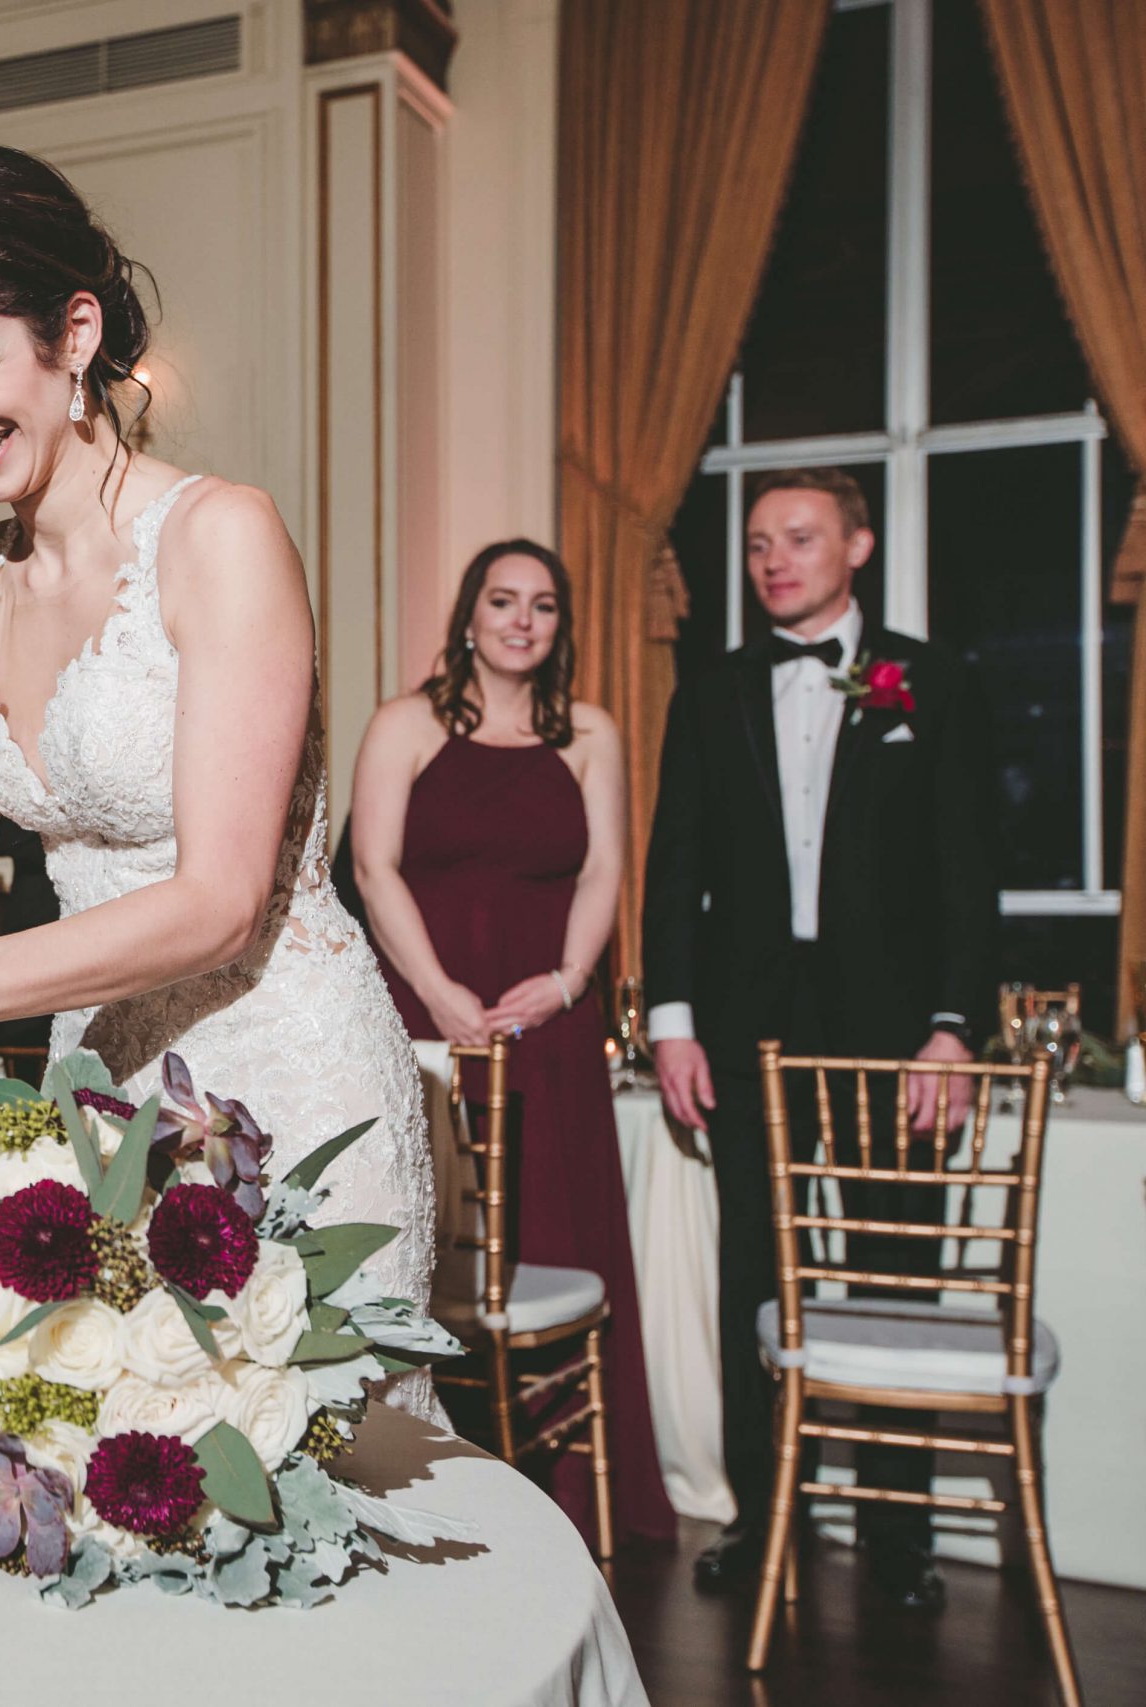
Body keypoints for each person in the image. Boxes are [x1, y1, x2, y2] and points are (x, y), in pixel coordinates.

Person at [0, 145, 436, 1411]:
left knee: (290, 1464)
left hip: (284, 1074)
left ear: (75, 333)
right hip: (97, 1086)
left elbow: (218, 900)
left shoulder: (221, 536)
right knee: (109, 1462)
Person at [644, 467, 995, 1611]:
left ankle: (899, 1542)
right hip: (748, 1036)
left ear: (858, 544)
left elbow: (966, 874)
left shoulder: (925, 683)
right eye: (755, 542)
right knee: (758, 1271)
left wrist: (952, 1028)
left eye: (796, 537)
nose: (771, 559)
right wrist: (672, 1019)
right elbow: (675, 866)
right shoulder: (712, 689)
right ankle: (761, 1519)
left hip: (897, 1041)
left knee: (895, 1275)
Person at [351, 539, 676, 1545]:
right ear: (468, 615)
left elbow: (605, 870)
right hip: (426, 1026)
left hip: (548, 1029)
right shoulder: (404, 723)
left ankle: (572, 1496)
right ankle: (428, 1485)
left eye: (541, 605)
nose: (521, 620)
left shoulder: (588, 731)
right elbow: (372, 867)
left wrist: (570, 982)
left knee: (552, 1244)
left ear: (557, 626)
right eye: (503, 600)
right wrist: (439, 993)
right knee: (429, 1251)